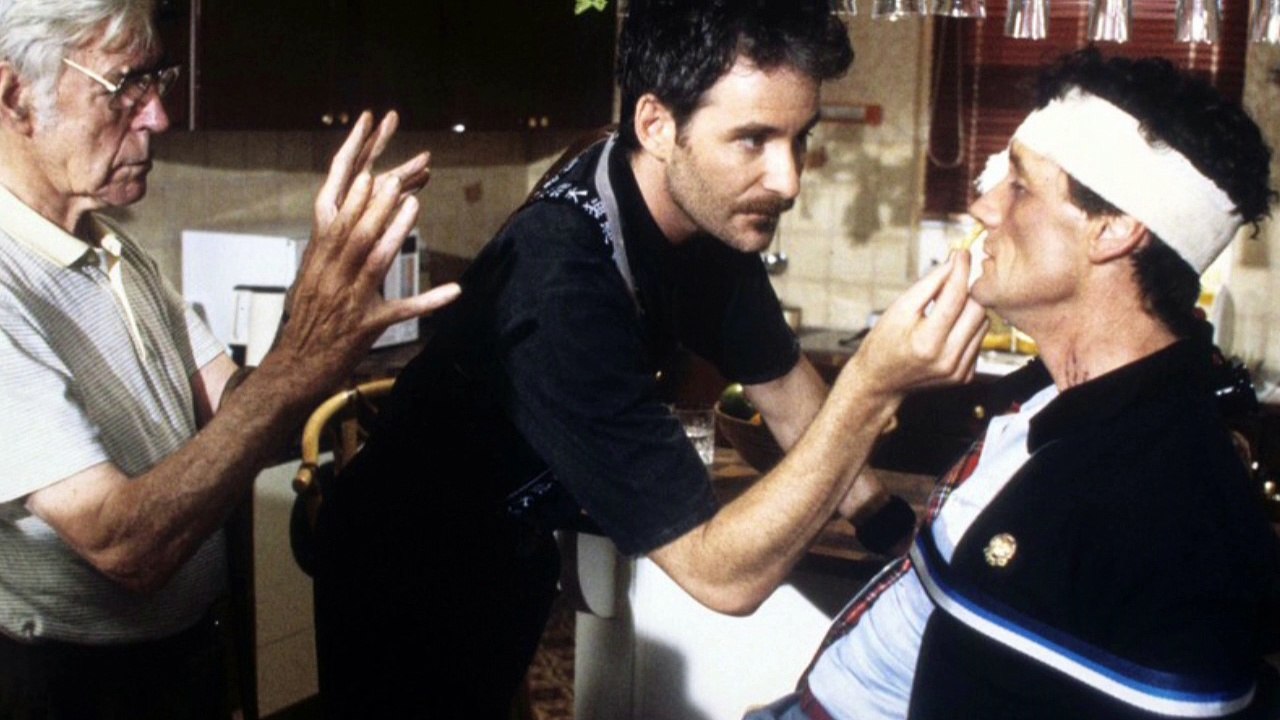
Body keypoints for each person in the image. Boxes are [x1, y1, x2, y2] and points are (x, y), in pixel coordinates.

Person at [311, 0, 988, 717]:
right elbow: (720, 575)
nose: (788, 180)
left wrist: (888, 528)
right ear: (657, 126)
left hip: (510, 551)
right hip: (399, 566)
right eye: (753, 140)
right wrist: (872, 389)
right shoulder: (560, 285)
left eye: (800, 139)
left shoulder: (704, 212)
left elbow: (786, 390)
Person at [747, 47, 1280, 720]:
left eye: (1020, 186)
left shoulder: (1167, 506)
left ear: (1115, 229)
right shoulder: (1053, 396)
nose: (981, 205)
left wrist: (871, 385)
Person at [0, 0, 460, 717]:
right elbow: (124, 545)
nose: (158, 117)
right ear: (14, 97)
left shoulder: (113, 250)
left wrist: (316, 306)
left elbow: (242, 411)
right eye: (124, 87)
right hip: (73, 691)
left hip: (182, 666)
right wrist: (303, 356)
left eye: (156, 82)